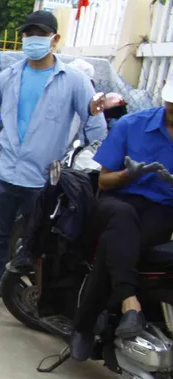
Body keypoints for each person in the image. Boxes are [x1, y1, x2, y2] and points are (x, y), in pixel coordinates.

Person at [0, 11, 106, 318]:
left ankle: (33, 297)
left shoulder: (73, 81)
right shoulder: (9, 76)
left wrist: (76, 162)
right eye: (29, 34)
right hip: (3, 172)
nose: (33, 40)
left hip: (43, 180)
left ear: (55, 40)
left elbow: (96, 129)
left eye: (41, 35)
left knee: (39, 243)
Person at [68, 75, 173, 359]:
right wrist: (129, 174)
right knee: (122, 219)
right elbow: (104, 182)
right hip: (118, 200)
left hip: (162, 210)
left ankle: (90, 323)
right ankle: (128, 303)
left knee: (115, 245)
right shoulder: (131, 125)